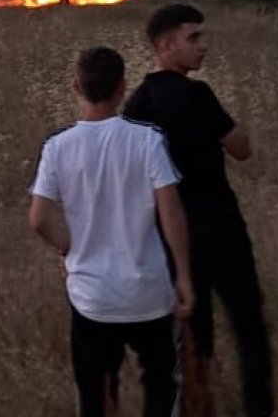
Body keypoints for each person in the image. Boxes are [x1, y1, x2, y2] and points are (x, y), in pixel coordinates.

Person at [122, 4, 272, 417]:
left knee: (192, 333)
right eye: (193, 38)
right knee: (248, 324)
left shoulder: (136, 106)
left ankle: (195, 407)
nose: (203, 47)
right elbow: (241, 148)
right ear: (165, 45)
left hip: (170, 236)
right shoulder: (198, 94)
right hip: (219, 225)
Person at [30, 46, 194, 417]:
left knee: (96, 393)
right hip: (148, 292)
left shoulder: (57, 148)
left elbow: (38, 219)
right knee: (160, 384)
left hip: (93, 297)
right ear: (123, 87)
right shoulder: (148, 141)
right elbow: (171, 212)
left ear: (76, 87)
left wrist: (67, 248)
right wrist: (182, 275)